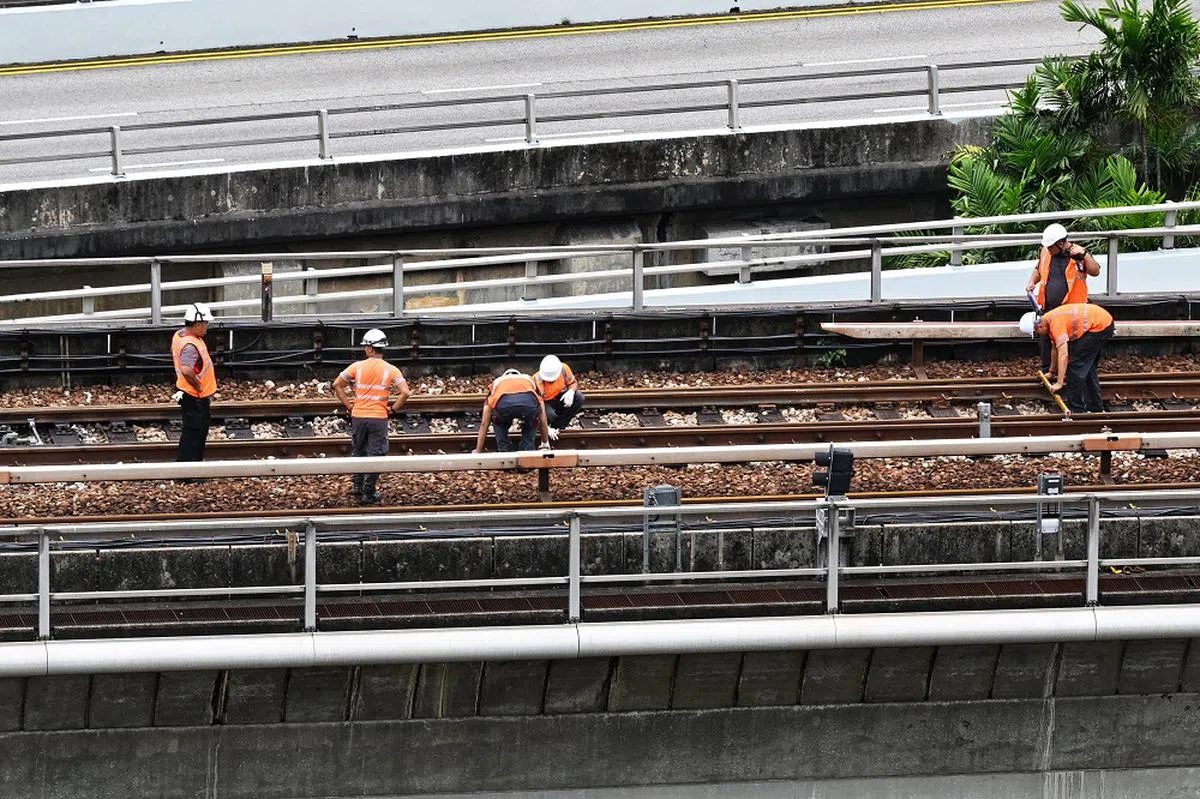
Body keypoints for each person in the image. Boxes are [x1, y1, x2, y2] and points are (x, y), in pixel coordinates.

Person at [332, 328, 411, 505]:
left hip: (358, 416)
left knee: (358, 451)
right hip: (379, 417)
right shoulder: (391, 370)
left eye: (365, 346)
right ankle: (369, 492)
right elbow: (405, 392)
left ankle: (358, 488)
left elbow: (337, 384)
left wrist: (350, 406)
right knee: (376, 454)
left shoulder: (357, 367)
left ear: (370, 349)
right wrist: (393, 409)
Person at [1024, 223, 1101, 369]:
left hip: (1072, 309)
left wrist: (1084, 256)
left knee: (1069, 343)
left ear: (1061, 243)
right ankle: (1049, 371)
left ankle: (1069, 373)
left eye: (1051, 247)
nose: (1049, 249)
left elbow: (1095, 271)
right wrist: (1032, 282)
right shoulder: (1046, 252)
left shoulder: (1078, 253)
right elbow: (1039, 270)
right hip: (1049, 307)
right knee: (1046, 340)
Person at [1020, 303, 1115, 414]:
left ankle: (1077, 408)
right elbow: (1055, 348)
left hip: (1099, 327)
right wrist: (1051, 372)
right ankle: (1095, 407)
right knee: (1087, 369)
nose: (1039, 336)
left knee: (1075, 367)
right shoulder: (1049, 319)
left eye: (1036, 333)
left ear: (1040, 326)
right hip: (1102, 323)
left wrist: (1060, 383)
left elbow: (1063, 355)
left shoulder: (1055, 323)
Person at [171, 302, 217, 467]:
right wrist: (198, 386)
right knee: (195, 433)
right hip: (194, 395)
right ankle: (190, 472)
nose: (207, 327)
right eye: (205, 324)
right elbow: (187, 370)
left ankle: (189, 470)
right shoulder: (190, 344)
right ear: (197, 324)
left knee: (193, 431)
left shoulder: (181, 335)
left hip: (188, 392)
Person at [473, 368, 551, 453]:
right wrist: (545, 443)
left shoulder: (496, 383)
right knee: (533, 419)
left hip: (503, 406)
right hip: (528, 405)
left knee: (498, 421)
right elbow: (542, 418)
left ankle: (504, 449)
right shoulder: (529, 379)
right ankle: (527, 450)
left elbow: (484, 423)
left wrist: (478, 450)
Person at [534, 355, 585, 441]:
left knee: (579, 398)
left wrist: (571, 392)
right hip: (543, 403)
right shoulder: (537, 381)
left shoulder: (564, 369)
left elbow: (573, 383)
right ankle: (546, 428)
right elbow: (535, 408)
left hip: (556, 397)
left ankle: (558, 427)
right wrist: (545, 428)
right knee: (550, 415)